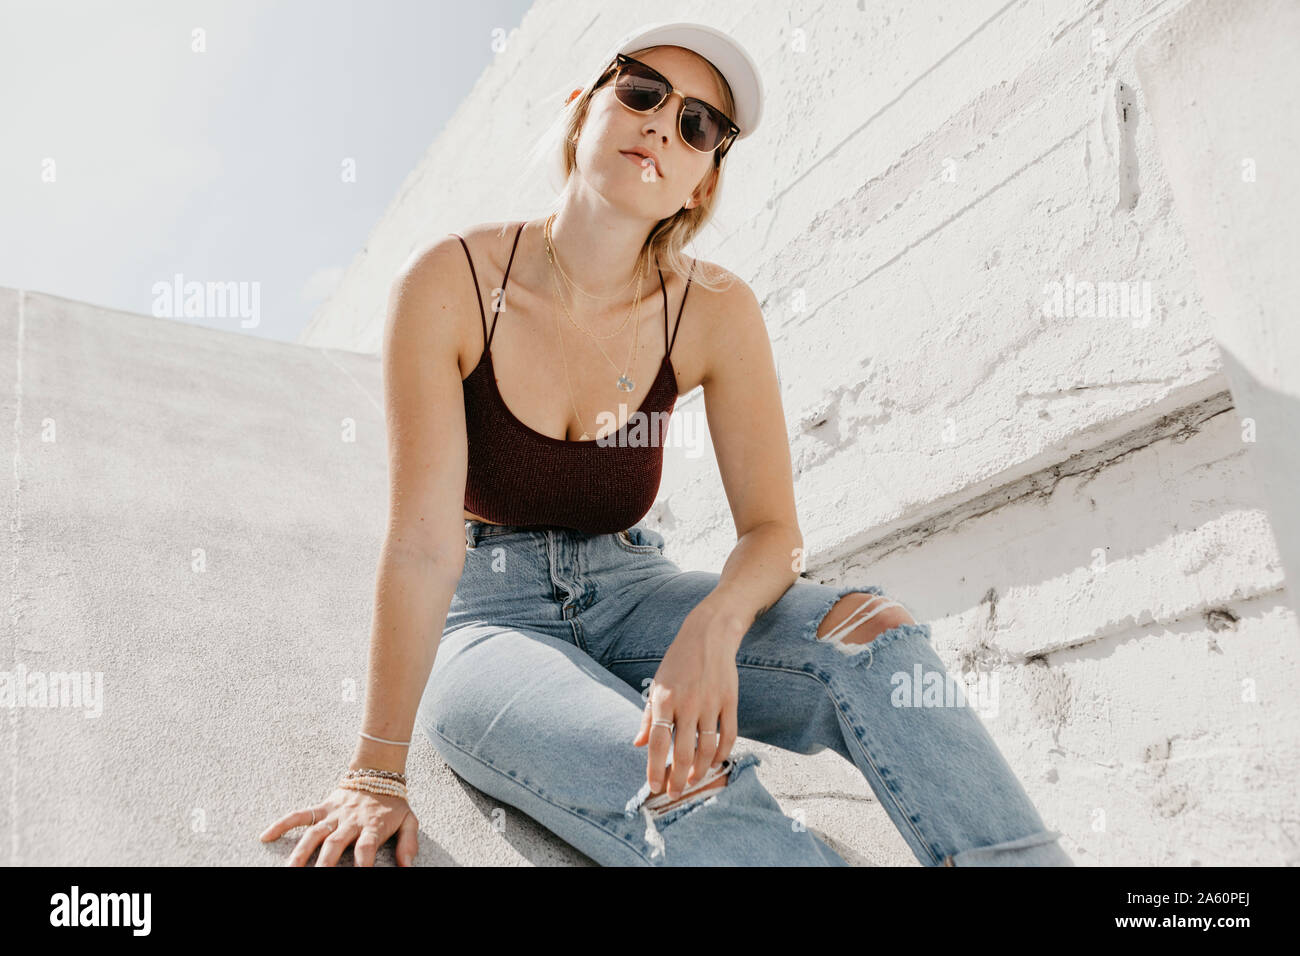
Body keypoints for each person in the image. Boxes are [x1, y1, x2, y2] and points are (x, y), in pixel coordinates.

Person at [259, 21, 1074, 867]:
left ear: (700, 184)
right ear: (584, 112)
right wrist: (376, 773)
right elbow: (424, 544)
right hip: (486, 617)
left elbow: (774, 533)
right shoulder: (451, 281)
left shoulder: (714, 309)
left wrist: (715, 626)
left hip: (634, 590)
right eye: (643, 91)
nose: (661, 123)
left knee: (873, 636)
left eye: (698, 125)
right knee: (679, 775)